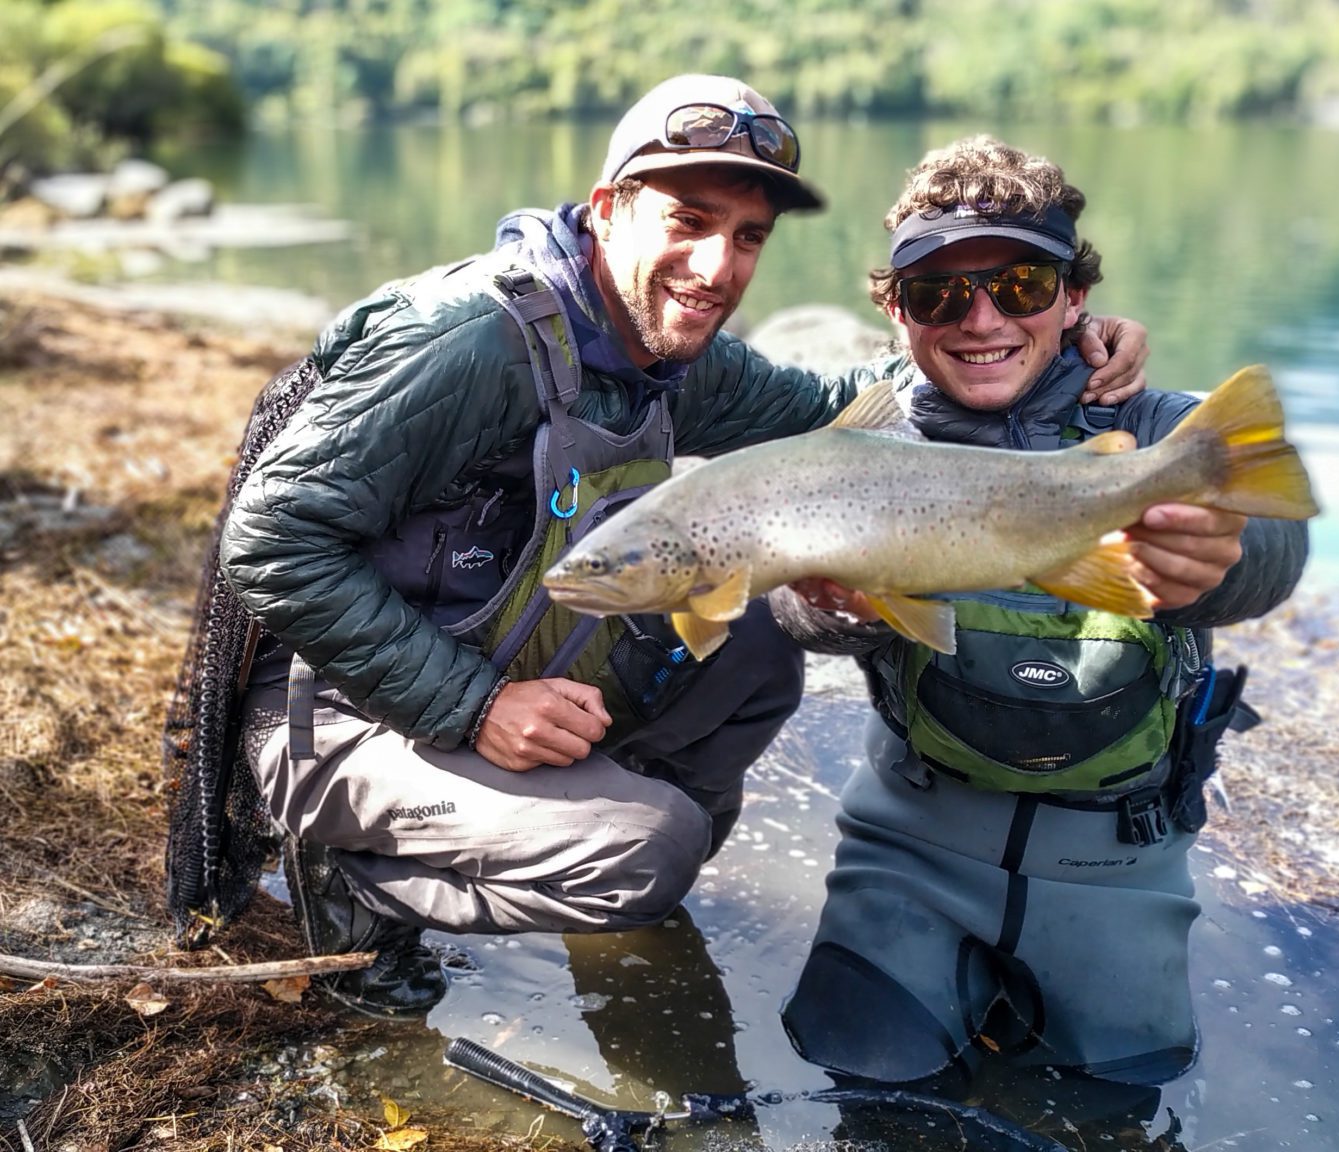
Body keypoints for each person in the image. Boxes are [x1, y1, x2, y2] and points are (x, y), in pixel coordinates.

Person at [186, 78, 1150, 1020]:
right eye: (687, 221)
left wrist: (1058, 339)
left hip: (487, 667)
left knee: (756, 640)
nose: (716, 266)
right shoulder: (471, 340)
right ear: (609, 209)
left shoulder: (669, 350)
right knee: (642, 851)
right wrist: (475, 709)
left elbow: (847, 412)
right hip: (336, 715)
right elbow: (270, 540)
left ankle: (560, 826)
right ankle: (367, 886)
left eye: (747, 237)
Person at [774, 135, 1311, 1090]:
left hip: (1117, 861)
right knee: (858, 1072)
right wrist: (840, 609)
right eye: (938, 294)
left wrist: (1218, 568)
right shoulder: (860, 437)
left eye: (1018, 286)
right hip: (909, 838)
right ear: (895, 312)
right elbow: (787, 604)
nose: (979, 318)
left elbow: (1276, 554)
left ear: (1074, 298)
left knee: (1118, 1097)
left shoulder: (1157, 429)